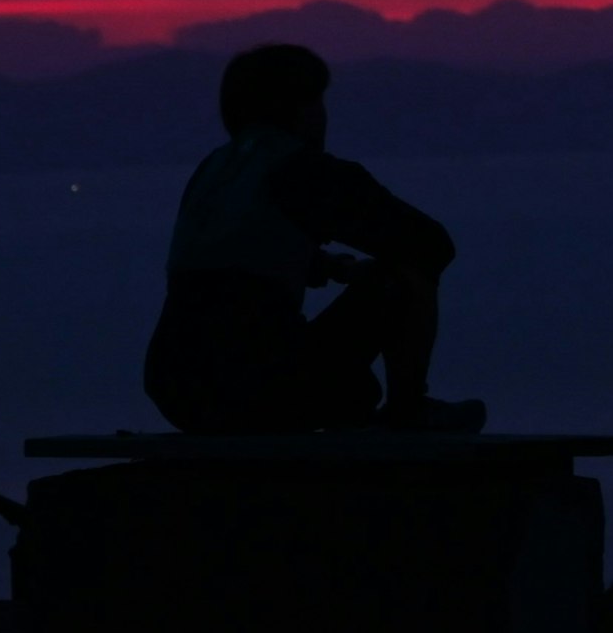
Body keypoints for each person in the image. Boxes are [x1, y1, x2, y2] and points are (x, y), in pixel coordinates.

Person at [145, 42, 485, 435]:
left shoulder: (215, 170)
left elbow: (232, 259)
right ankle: (408, 411)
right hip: (253, 385)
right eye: (318, 103)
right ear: (299, 107)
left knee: (349, 390)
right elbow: (429, 244)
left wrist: (333, 268)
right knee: (403, 278)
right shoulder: (302, 170)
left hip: (176, 389)